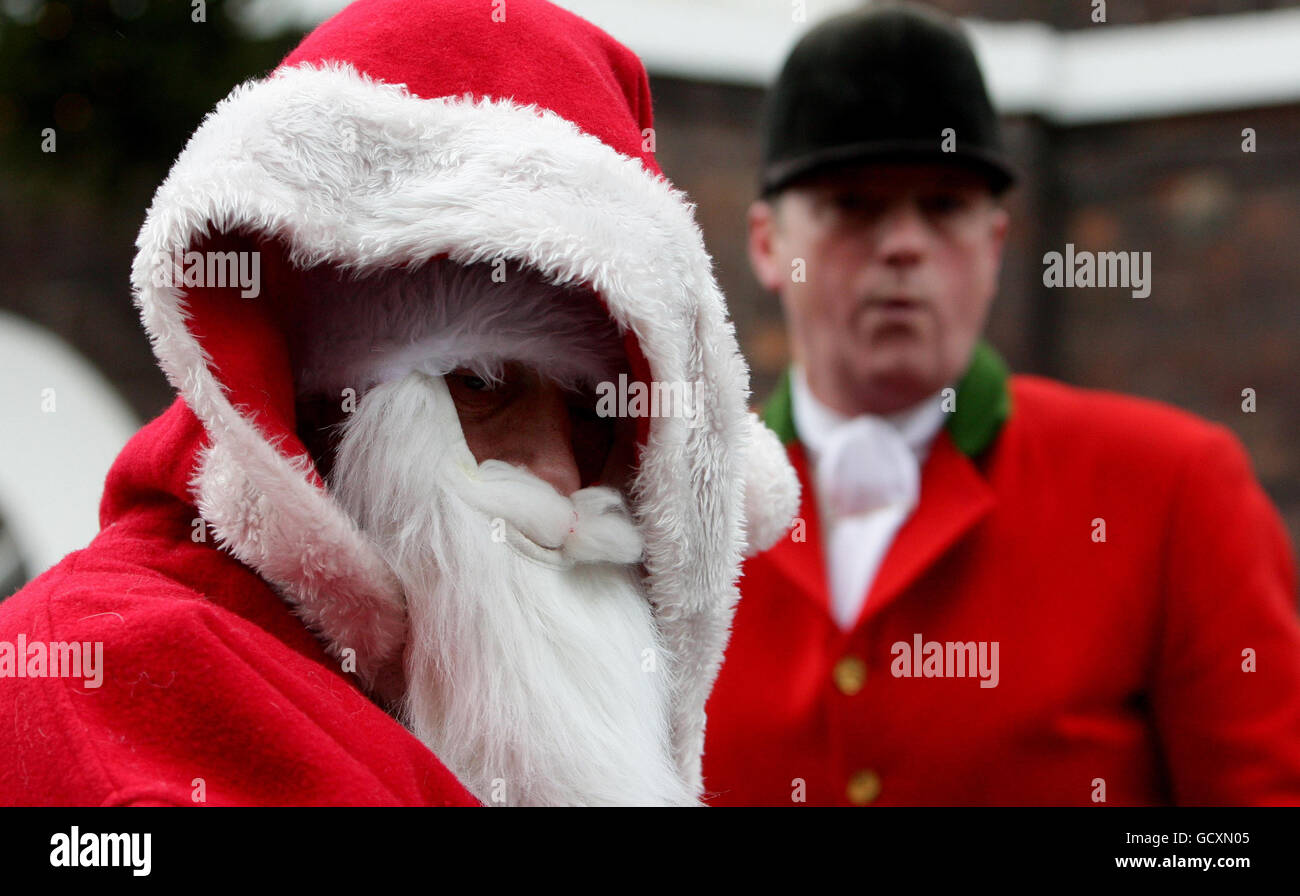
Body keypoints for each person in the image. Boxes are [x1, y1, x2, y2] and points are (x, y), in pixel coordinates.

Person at [0, 0, 799, 807]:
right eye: (481, 385)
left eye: (594, 416)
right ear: (321, 407)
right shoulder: (100, 684)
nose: (559, 480)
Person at [702, 2, 1300, 806]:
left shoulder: (1173, 489)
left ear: (994, 245)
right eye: (854, 204)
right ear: (770, 244)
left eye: (945, 206)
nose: (903, 244)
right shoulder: (675, 508)